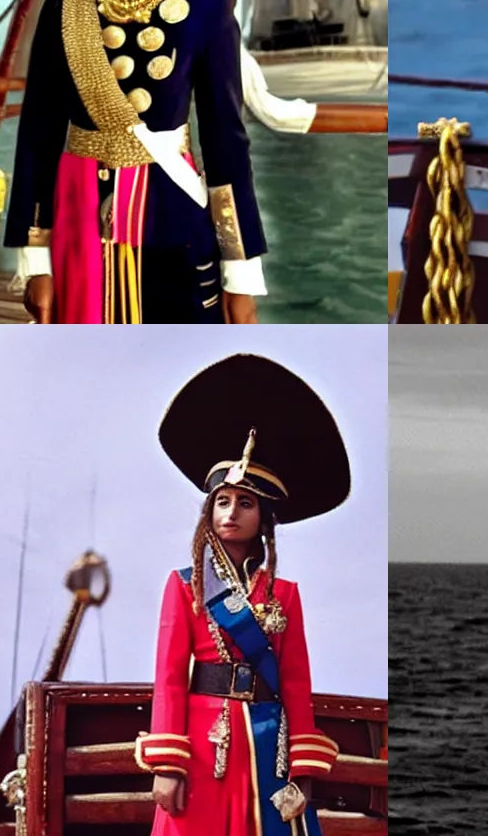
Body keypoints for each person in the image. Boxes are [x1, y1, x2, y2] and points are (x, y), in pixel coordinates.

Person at [4, 0, 267, 323]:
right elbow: (37, 139)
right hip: (79, 222)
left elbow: (226, 142)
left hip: (175, 220)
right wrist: (35, 260)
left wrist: (241, 273)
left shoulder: (207, 8)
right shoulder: (64, 7)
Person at [136, 353, 347, 836]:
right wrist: (168, 764)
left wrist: (304, 767)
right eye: (223, 502)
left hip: (269, 743)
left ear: (264, 519)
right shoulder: (185, 585)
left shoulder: (285, 594)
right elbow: (168, 678)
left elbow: (295, 681)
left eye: (245, 503)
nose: (231, 512)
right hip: (203, 743)